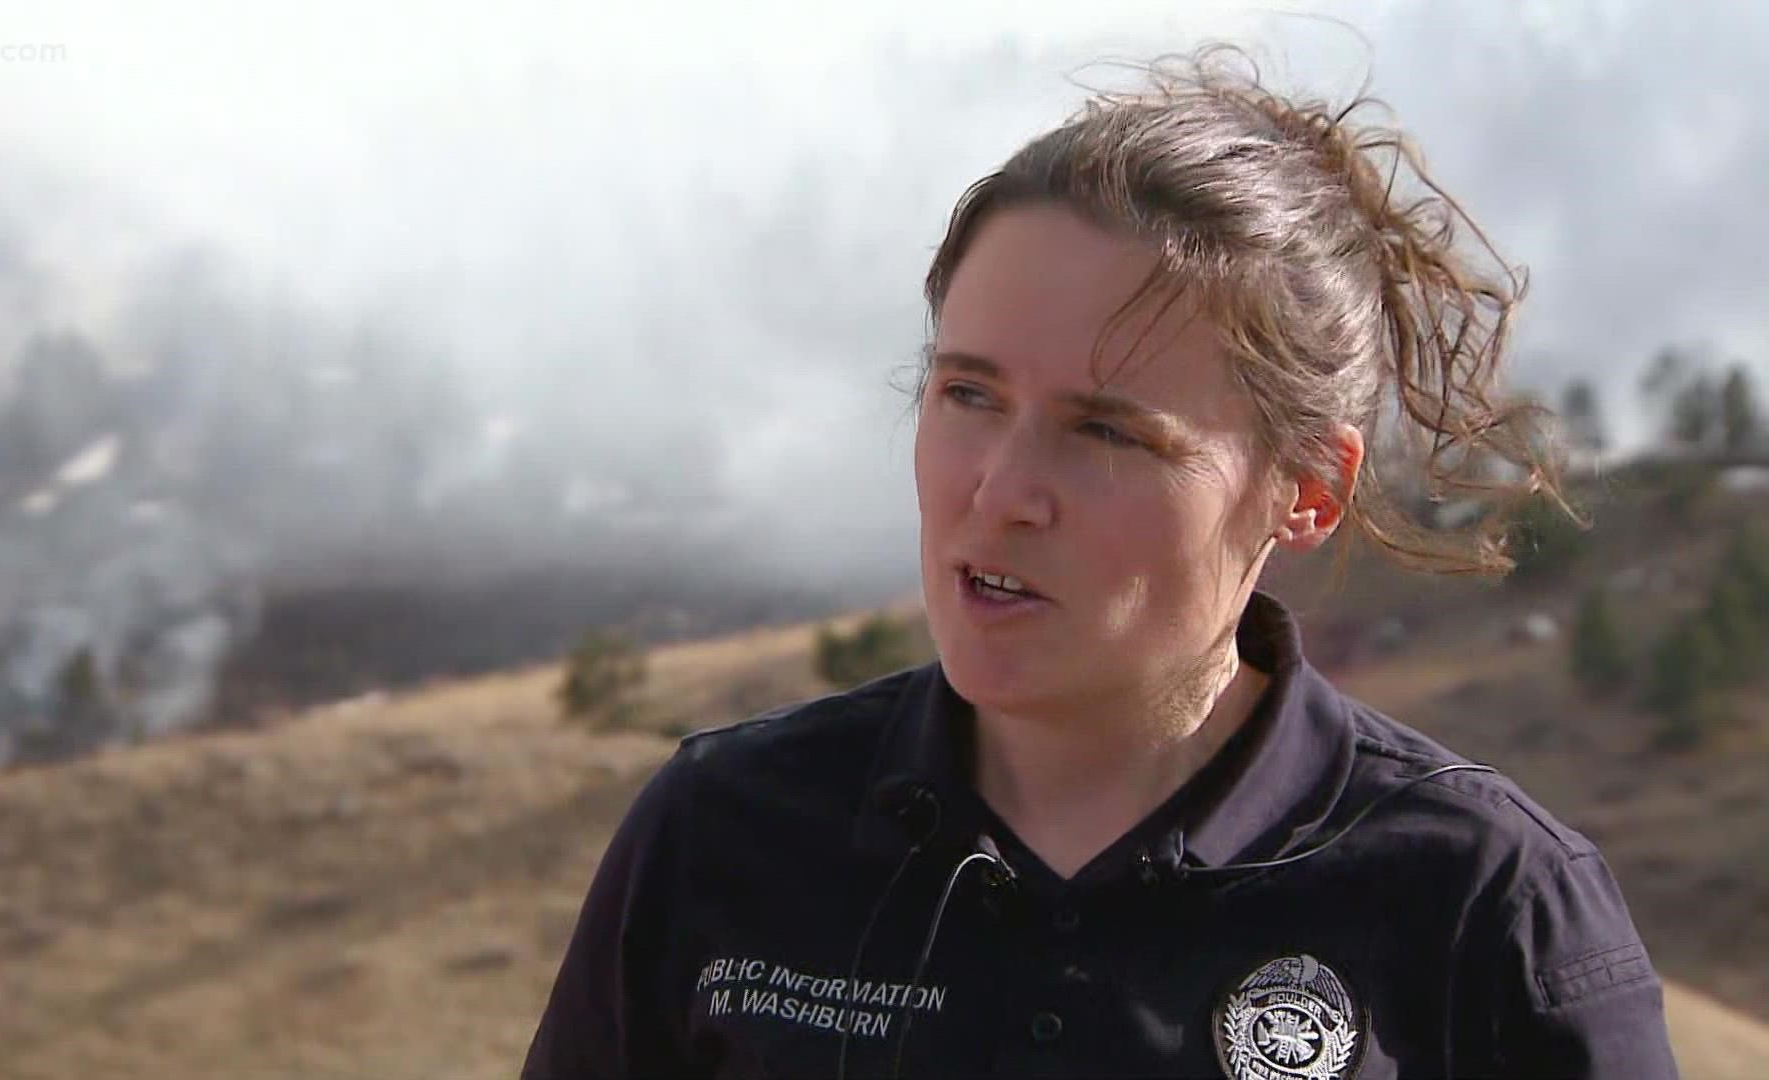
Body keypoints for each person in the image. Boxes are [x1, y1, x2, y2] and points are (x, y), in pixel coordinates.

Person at [522, 44, 1678, 1079]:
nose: (1002, 491)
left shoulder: (1485, 906)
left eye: (1107, 431)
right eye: (969, 393)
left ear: (1308, 492)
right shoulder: (724, 833)